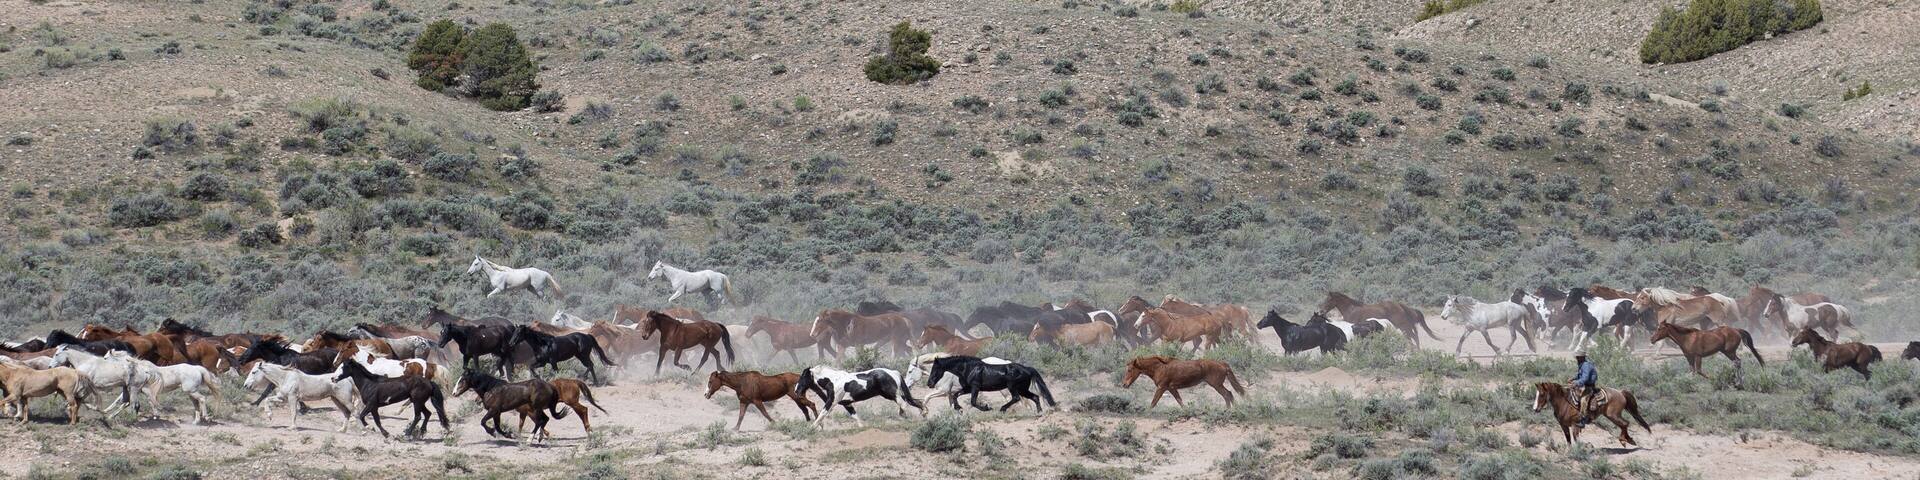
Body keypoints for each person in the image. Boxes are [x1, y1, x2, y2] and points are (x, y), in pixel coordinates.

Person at [1569, 350, 1598, 424]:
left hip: (1589, 387)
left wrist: (1576, 382)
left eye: (1578, 357)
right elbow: (1580, 375)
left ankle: (1583, 418)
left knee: (1583, 400)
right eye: (1577, 357)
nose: (1577, 359)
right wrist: (1573, 378)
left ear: (1582, 357)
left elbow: (1585, 378)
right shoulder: (1582, 364)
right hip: (1584, 385)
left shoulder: (1586, 365)